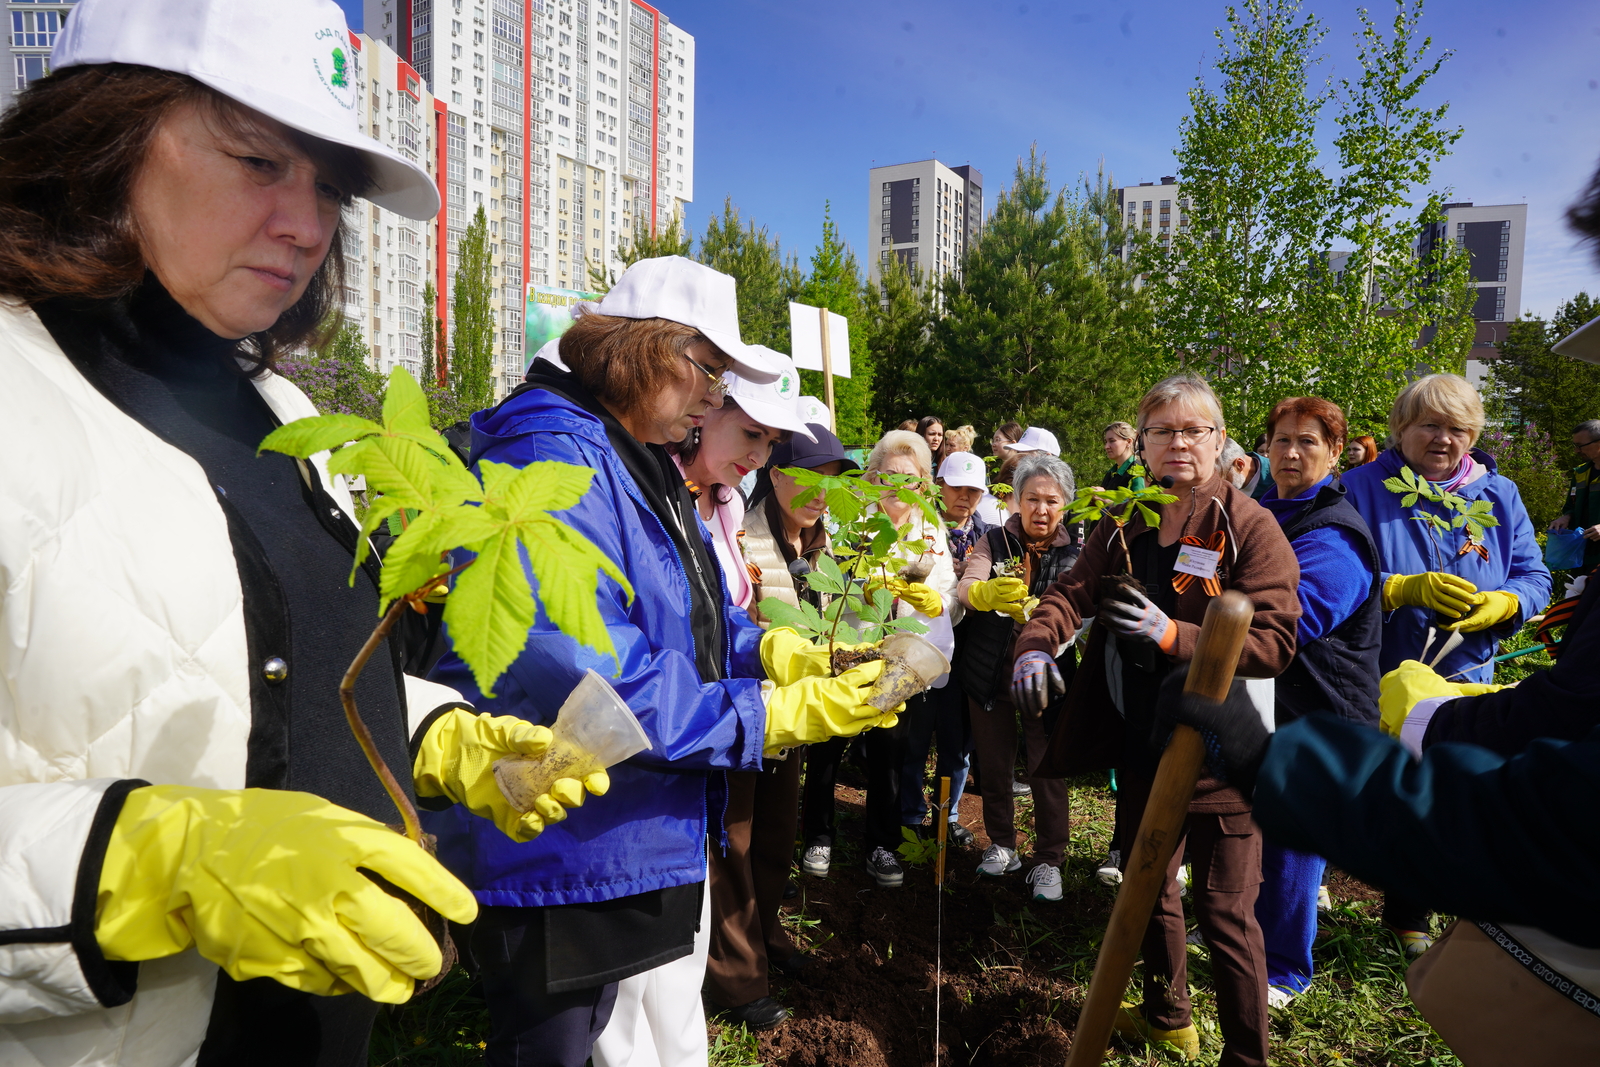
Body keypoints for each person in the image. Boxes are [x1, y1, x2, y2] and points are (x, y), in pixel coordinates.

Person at [0, 2, 597, 1062]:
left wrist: (433, 733)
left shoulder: (286, 417)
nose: (308, 224)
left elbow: (268, 670)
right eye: (260, 162)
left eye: (327, 188)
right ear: (101, 140)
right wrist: (146, 860)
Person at [424, 256, 898, 1067]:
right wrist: (769, 713)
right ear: (646, 350)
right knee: (557, 1047)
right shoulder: (555, 460)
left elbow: (689, 617)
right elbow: (588, 672)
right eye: (708, 372)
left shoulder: (634, 460)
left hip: (622, 830)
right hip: (562, 845)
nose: (715, 399)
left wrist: (781, 655)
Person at [1010, 374, 1301, 1066]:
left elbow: (1276, 641)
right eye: (1161, 430)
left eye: (1192, 430)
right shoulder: (1124, 518)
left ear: (1220, 440)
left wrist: (1178, 637)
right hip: (1146, 742)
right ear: (1140, 443)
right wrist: (1032, 647)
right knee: (1147, 887)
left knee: (1226, 911)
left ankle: (1248, 1057)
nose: (1177, 443)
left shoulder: (1248, 527)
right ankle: (1170, 1014)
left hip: (1225, 752)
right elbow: (1070, 593)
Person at [591, 353, 813, 1055]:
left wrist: (771, 648)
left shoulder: (712, 499)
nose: (759, 454)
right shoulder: (636, 486)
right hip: (646, 763)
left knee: (677, 965)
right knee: (628, 995)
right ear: (701, 408)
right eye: (750, 432)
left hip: (695, 742)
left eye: (772, 442)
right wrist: (758, 710)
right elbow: (631, 659)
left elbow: (712, 609)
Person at [1342, 372, 1551, 955]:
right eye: (1429, 425)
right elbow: (1329, 573)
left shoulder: (1497, 495)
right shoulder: (1361, 488)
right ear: (1401, 428)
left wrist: (1507, 601)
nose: (1443, 439)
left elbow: (1536, 576)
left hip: (1464, 673)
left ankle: (1410, 916)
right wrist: (1398, 588)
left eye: (1457, 428)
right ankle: (1310, 887)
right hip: (1380, 666)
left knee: (1443, 791)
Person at [694, 421, 853, 1034]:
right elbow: (734, 615)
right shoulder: (748, 535)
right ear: (775, 474)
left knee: (776, 834)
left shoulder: (823, 546)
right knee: (734, 839)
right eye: (808, 475)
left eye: (832, 480)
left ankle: (764, 935)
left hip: (792, 716)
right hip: (743, 708)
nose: (820, 491)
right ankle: (736, 975)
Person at [1254, 397, 1382, 1008]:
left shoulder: (1335, 533)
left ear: (1336, 454)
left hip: (1322, 709)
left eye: (1309, 442)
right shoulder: (1263, 511)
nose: (1292, 452)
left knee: (1292, 835)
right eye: (1281, 440)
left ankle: (1284, 967)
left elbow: (1293, 620)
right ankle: (1247, 931)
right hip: (1269, 699)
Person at [801, 430, 961, 890]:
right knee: (828, 744)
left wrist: (934, 602)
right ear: (870, 476)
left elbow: (950, 599)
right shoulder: (847, 522)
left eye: (909, 478)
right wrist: (864, 583)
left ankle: (882, 844)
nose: (897, 485)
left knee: (894, 752)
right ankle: (818, 835)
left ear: (925, 483)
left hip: (904, 658)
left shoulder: (932, 529)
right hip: (850, 648)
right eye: (887, 475)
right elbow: (822, 578)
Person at [956, 453, 1081, 901]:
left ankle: (1049, 859)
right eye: (1032, 499)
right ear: (1016, 501)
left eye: (1051, 501)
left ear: (1064, 504)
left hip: (1047, 679)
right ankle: (1003, 844)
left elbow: (1080, 609)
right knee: (994, 765)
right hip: (989, 673)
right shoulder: (993, 540)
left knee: (1047, 767)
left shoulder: (1075, 551)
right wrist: (984, 593)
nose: (1041, 510)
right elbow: (967, 586)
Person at [900, 451, 995, 846]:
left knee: (957, 745)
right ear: (939, 485)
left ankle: (948, 816)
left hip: (969, 658)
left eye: (974, 490)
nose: (966, 497)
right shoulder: (918, 527)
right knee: (914, 738)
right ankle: (909, 813)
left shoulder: (990, 537)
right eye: (958, 487)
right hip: (923, 649)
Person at [1550, 419, 1600, 574]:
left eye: (1580, 446)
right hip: (1580, 556)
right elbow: (1571, 506)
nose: (1576, 451)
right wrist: (1566, 517)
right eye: (1575, 445)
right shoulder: (1580, 473)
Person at [1102, 420, 1144, 490]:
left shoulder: (1137, 471)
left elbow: (1139, 500)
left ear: (1129, 442)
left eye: (1112, 441)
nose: (1106, 446)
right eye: (1106, 442)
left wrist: (1105, 498)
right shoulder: (1112, 473)